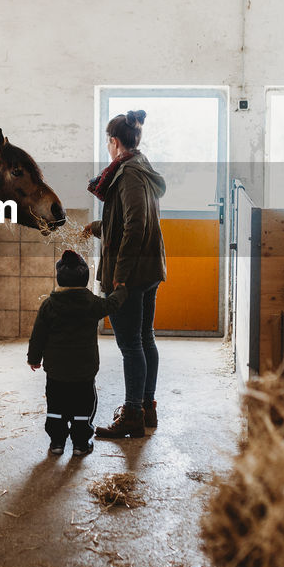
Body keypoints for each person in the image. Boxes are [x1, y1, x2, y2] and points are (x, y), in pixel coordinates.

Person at [85, 110, 166, 439]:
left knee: (131, 344)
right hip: (148, 269)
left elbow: (136, 225)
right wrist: (100, 228)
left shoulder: (128, 173)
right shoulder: (140, 168)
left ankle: (133, 413)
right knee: (144, 339)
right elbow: (131, 220)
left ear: (114, 142)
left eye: (109, 140)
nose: (108, 145)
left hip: (132, 272)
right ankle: (146, 407)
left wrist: (120, 275)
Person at [27, 250, 127, 457]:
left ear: (59, 279)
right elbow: (112, 304)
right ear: (85, 279)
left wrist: (34, 358)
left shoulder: (49, 305)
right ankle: (81, 444)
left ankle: (57, 443)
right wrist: (121, 290)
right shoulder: (91, 303)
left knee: (56, 406)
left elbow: (38, 335)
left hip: (56, 371)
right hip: (84, 370)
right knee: (83, 407)